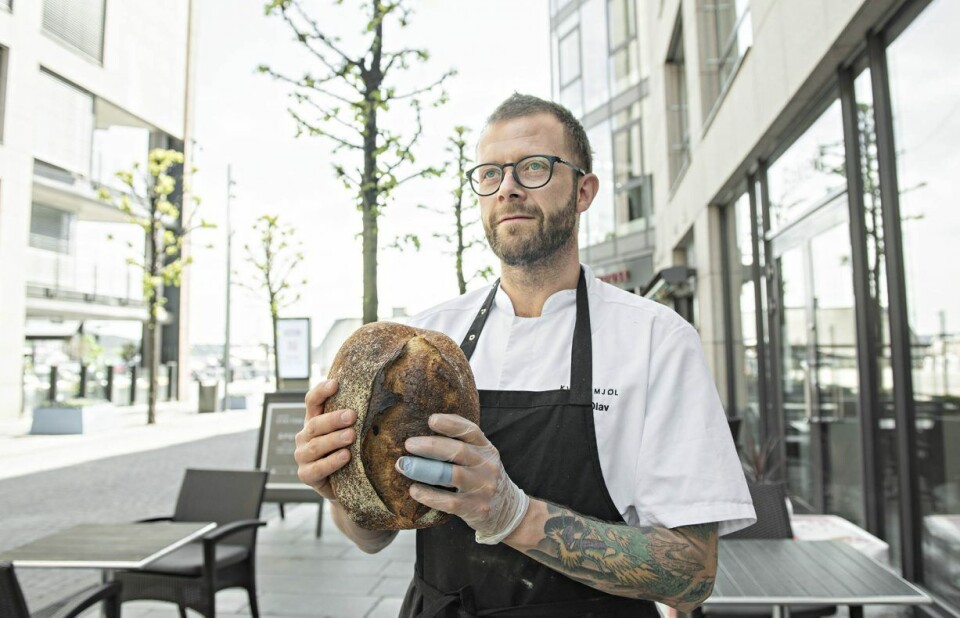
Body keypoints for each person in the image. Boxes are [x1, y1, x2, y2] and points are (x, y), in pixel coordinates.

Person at [295, 93, 756, 617]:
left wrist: (512, 515)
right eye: (490, 174)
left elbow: (692, 575)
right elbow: (374, 538)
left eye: (534, 167)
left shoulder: (656, 341)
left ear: (583, 191)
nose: (508, 187)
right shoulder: (427, 339)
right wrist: (341, 486)